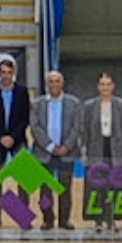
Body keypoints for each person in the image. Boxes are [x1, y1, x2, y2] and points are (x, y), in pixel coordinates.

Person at [31, 70, 83, 230]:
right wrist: (50, 146)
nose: (54, 84)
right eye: (51, 81)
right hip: (44, 153)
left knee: (65, 189)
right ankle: (47, 220)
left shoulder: (74, 103)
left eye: (57, 81)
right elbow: (35, 127)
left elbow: (77, 127)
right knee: (45, 191)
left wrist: (66, 146)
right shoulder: (37, 104)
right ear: (47, 84)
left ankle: (64, 220)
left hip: (67, 153)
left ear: (62, 83)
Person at [0, 58, 29, 229]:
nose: (6, 76)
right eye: (3, 72)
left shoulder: (22, 92)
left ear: (13, 73)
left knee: (23, 180)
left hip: (18, 140)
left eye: (9, 72)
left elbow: (25, 117)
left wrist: (12, 137)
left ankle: (23, 218)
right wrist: (1, 136)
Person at [80, 73, 122, 230]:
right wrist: (84, 151)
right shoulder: (89, 105)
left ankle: (113, 219)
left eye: (108, 84)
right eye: (102, 84)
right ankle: (98, 220)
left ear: (113, 86)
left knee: (116, 186)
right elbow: (84, 130)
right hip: (96, 149)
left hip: (115, 150)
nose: (105, 87)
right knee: (97, 186)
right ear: (98, 87)